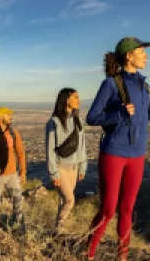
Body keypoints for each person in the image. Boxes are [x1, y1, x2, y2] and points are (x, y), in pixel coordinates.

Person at [85, 37, 150, 260]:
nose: (146, 56)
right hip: (114, 153)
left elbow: (138, 120)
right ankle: (88, 253)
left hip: (137, 154)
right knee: (108, 210)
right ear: (129, 56)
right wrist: (118, 113)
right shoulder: (111, 83)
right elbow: (92, 117)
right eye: (141, 51)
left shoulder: (144, 84)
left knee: (127, 209)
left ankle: (123, 256)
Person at [46, 88, 87, 232]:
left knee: (64, 201)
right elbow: (50, 149)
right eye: (75, 97)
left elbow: (82, 146)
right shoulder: (54, 122)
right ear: (66, 99)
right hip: (60, 167)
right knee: (70, 201)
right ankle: (59, 230)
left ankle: (61, 231)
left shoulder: (78, 120)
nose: (78, 100)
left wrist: (82, 166)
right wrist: (53, 173)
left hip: (74, 168)